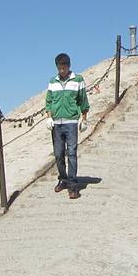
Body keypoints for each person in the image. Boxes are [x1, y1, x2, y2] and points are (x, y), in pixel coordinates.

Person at [45, 53, 90, 199]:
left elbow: (83, 100)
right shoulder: (53, 82)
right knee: (58, 154)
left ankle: (72, 184)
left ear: (68, 66)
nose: (62, 70)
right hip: (56, 124)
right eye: (59, 68)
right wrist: (49, 117)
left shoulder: (78, 80)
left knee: (71, 152)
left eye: (64, 67)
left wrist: (84, 119)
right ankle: (63, 179)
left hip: (71, 122)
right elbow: (49, 101)